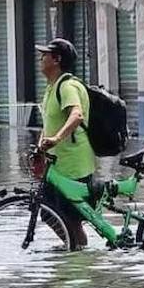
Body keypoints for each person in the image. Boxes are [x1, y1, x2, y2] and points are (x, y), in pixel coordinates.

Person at [36, 38, 96, 249]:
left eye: (45, 55)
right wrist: (40, 149)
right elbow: (50, 122)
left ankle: (79, 252)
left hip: (74, 164)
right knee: (49, 213)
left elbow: (76, 114)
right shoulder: (51, 88)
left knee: (72, 218)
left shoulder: (68, 86)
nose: (40, 58)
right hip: (57, 165)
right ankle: (74, 248)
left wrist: (56, 139)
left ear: (57, 59)